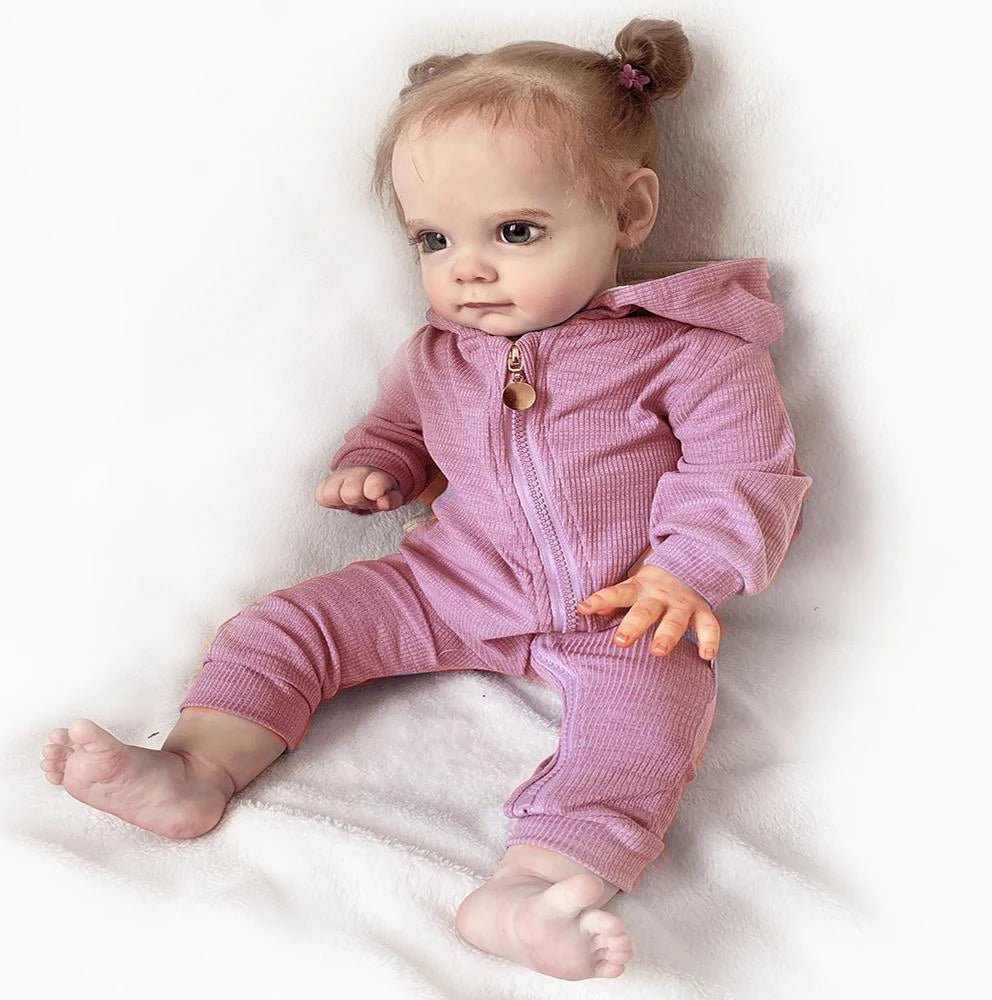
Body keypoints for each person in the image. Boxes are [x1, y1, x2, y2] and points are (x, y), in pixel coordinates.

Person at [39, 17, 813, 982]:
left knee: (646, 736)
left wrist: (683, 571)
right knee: (285, 628)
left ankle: (534, 887)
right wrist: (380, 469)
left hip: (624, 612)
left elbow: (743, 472)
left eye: (516, 232)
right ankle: (198, 766)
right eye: (434, 238)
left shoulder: (695, 351)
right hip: (451, 578)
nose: (468, 267)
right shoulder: (436, 354)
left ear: (629, 211)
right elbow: (401, 427)